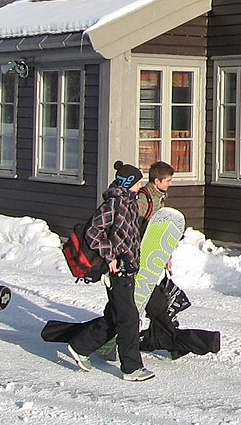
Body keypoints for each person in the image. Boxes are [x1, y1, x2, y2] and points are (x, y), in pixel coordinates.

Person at [64, 161, 155, 381]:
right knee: (129, 318)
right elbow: (93, 232)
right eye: (138, 181)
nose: (141, 185)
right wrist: (111, 256)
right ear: (128, 182)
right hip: (116, 270)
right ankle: (131, 368)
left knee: (116, 316)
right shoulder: (113, 204)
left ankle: (80, 346)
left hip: (128, 268)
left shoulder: (131, 203)